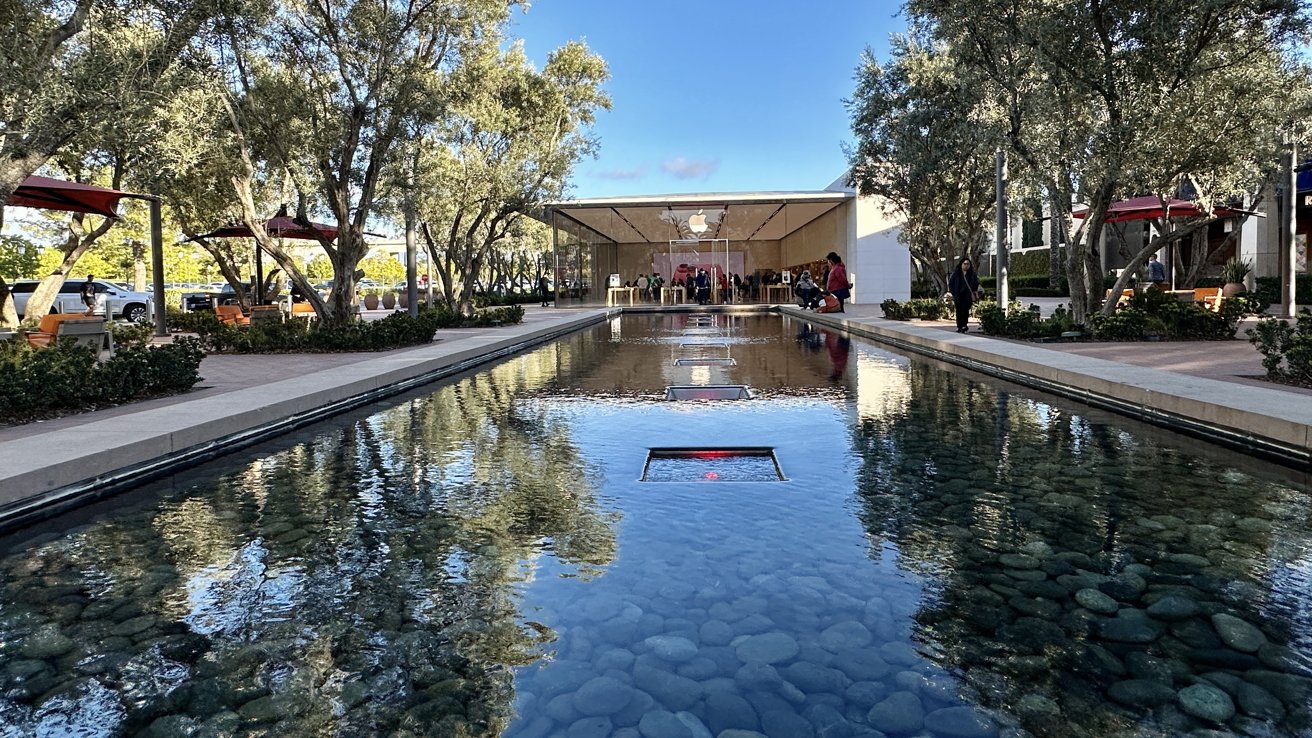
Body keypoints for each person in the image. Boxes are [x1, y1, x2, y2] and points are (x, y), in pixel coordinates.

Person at [947, 256, 981, 333]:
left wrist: (974, 291)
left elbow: (976, 284)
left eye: (968, 264)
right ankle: (959, 326)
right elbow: (951, 284)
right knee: (959, 311)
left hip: (968, 296)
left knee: (965, 311)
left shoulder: (972, 274)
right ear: (961, 264)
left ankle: (964, 325)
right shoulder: (956, 274)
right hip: (958, 295)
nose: (966, 265)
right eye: (965, 264)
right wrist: (954, 293)